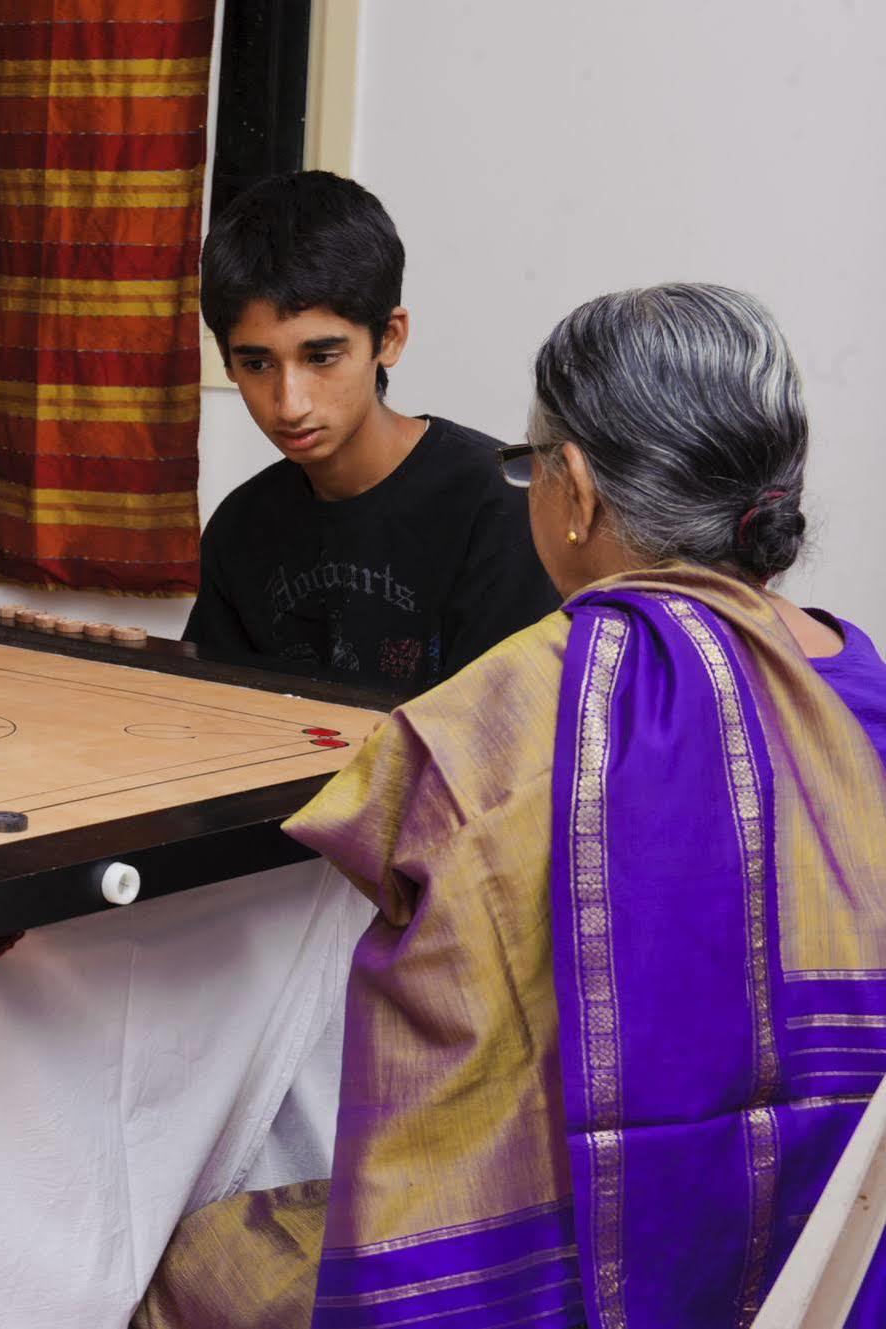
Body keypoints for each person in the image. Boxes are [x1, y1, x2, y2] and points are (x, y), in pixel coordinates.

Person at [137, 283, 886, 1327]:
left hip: (544, 1288)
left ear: (571, 488)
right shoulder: (866, 698)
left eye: (532, 464)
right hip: (825, 1279)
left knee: (189, 1260)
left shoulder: (495, 725)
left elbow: (430, 1087)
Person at [184, 171, 557, 691]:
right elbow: (212, 715)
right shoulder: (242, 527)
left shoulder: (503, 506)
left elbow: (499, 744)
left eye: (322, 357)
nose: (290, 404)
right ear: (227, 362)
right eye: (258, 365)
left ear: (389, 337)